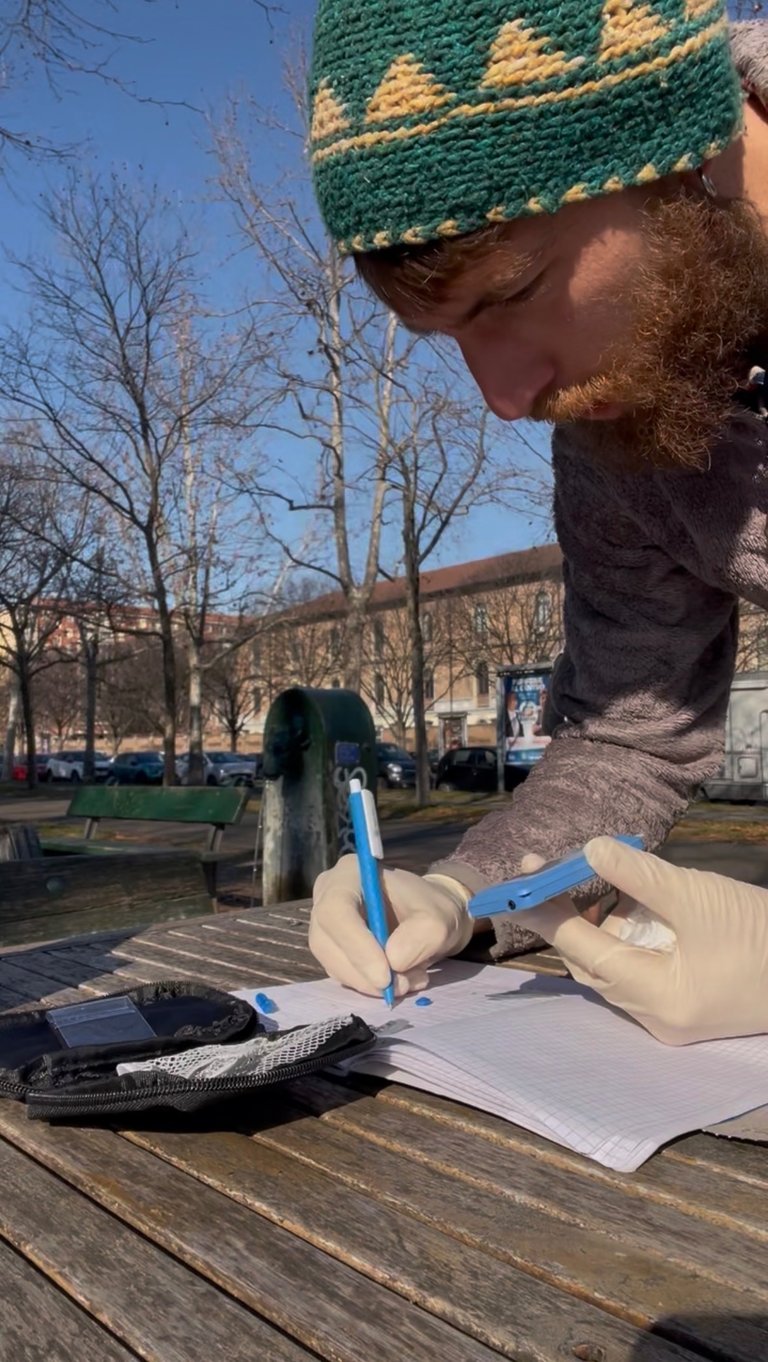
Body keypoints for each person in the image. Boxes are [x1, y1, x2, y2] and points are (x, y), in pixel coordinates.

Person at [307, 6, 768, 1044]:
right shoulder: (628, 418)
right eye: (450, 335)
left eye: (513, 291)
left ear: (674, 154)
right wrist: (464, 896)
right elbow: (626, 739)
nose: (506, 398)